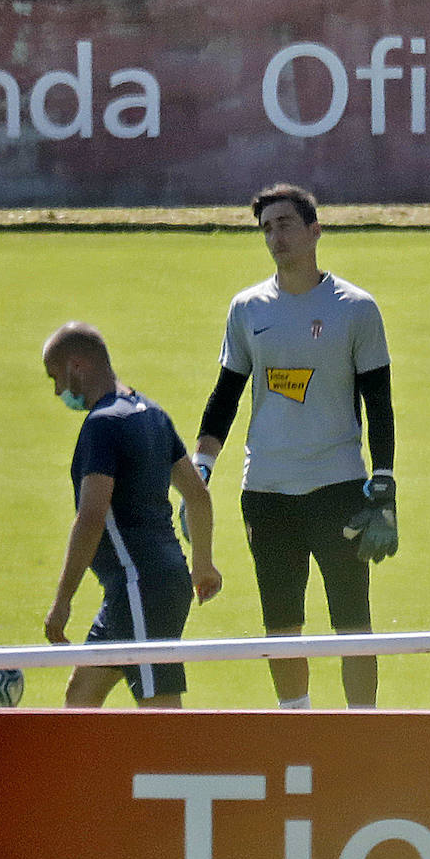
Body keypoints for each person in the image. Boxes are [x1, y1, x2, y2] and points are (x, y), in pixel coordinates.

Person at [189, 183, 397, 709]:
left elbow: (379, 403)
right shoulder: (246, 308)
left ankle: (362, 728)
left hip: (339, 487)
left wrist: (385, 485)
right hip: (266, 491)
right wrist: (200, 471)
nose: (275, 237)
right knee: (281, 623)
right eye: (266, 229)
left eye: (285, 225)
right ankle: (297, 725)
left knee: (353, 619)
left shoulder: (356, 308)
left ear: (314, 231)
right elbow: (225, 397)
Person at [43, 322, 222, 708]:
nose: (58, 391)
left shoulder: (103, 425)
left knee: (159, 710)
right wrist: (202, 564)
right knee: (81, 698)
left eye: (55, 377)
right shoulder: (151, 414)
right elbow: (198, 495)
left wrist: (63, 601)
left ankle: (187, 769)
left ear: (76, 366)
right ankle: (89, 772)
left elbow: (91, 518)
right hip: (147, 585)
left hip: (139, 585)